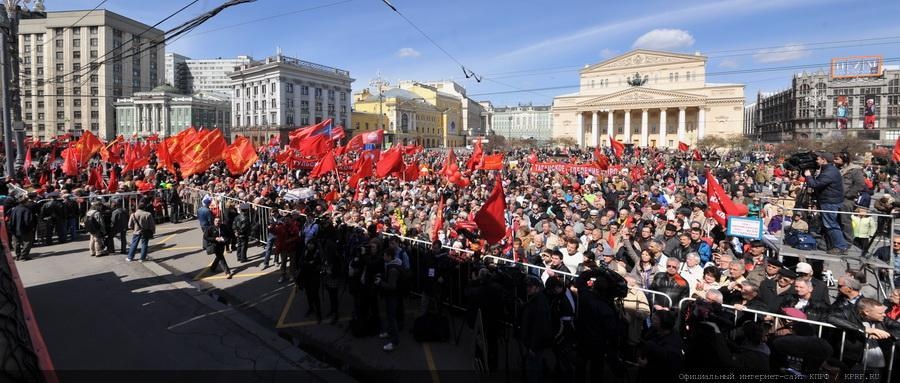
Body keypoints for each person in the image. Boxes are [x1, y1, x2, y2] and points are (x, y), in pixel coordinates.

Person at [827, 297, 900, 377]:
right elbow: (831, 318)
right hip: (852, 361)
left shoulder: (882, 318)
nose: (884, 315)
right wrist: (865, 330)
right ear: (866, 312)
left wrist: (885, 334)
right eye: (880, 313)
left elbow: (896, 327)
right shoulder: (847, 311)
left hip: (876, 365)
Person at [804, 152, 849, 254]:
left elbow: (815, 184)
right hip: (828, 200)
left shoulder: (830, 172)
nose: (816, 161)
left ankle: (841, 246)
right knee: (829, 223)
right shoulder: (829, 169)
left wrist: (808, 176)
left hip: (830, 202)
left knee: (830, 224)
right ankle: (833, 244)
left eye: (818, 159)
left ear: (824, 160)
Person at [378, 250, 403, 352]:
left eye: (384, 255)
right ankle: (389, 332)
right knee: (389, 315)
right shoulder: (389, 265)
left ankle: (394, 341)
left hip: (393, 296)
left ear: (389, 256)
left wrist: (381, 283)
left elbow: (392, 286)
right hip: (391, 296)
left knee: (392, 318)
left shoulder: (392, 269)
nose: (383, 257)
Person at [8, 195, 37, 261]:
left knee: (16, 243)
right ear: (25, 202)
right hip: (25, 229)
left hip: (15, 229)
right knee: (27, 242)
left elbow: (11, 220)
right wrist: (31, 227)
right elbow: (28, 221)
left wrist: (11, 228)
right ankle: (23, 256)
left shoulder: (14, 209)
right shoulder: (26, 210)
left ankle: (18, 256)